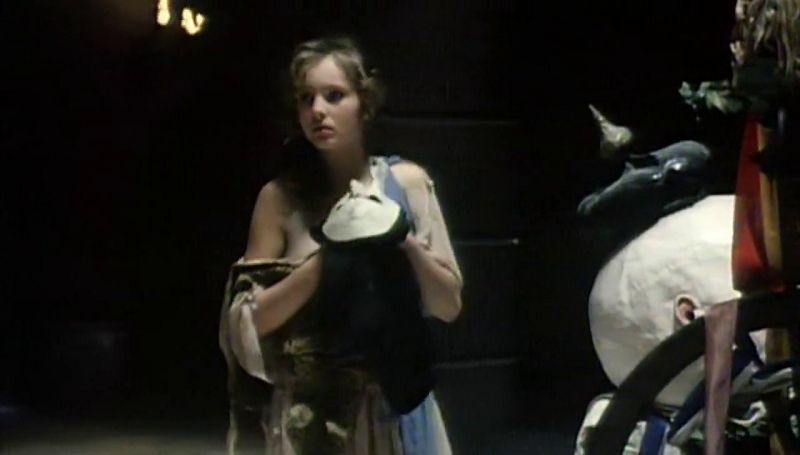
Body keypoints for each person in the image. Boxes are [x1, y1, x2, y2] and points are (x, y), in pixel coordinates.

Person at [220, 36, 463, 455]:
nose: (318, 110)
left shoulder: (406, 184)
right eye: (306, 99)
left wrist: (401, 240)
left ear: (363, 103)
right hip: (311, 417)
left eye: (334, 96)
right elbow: (249, 322)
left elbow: (448, 305)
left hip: (393, 412)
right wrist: (326, 260)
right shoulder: (281, 199)